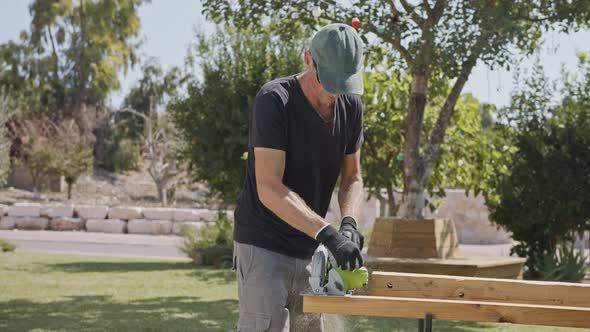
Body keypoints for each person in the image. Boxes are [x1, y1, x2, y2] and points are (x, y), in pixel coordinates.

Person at [232, 23, 366, 332]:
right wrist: (329, 235)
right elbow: (269, 187)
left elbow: (353, 178)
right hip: (263, 244)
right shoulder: (274, 101)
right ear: (308, 60)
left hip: (311, 249)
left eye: (343, 83)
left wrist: (349, 224)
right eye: (329, 81)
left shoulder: (351, 105)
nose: (336, 93)